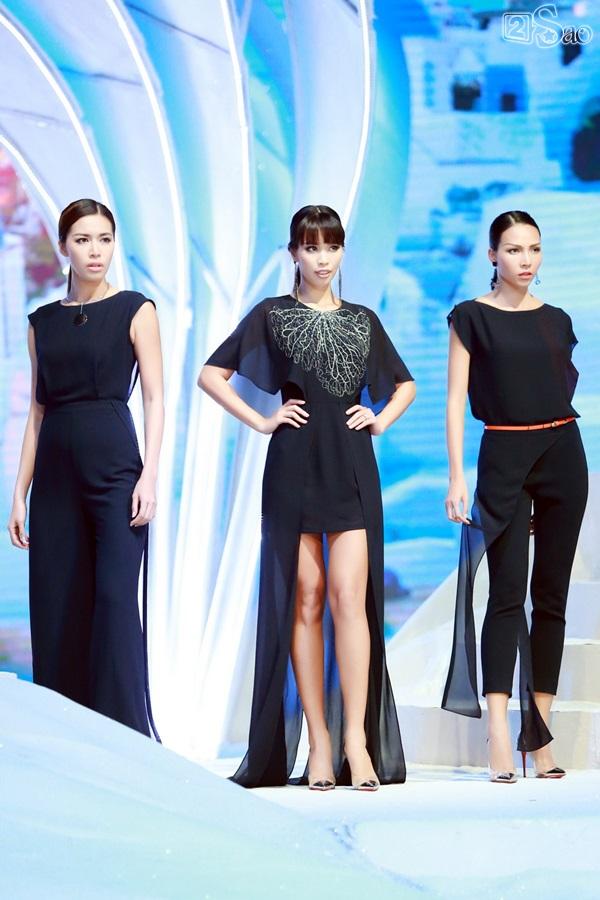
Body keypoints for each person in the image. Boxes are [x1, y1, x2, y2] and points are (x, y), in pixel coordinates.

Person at [199, 205, 416, 789]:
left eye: (332, 247)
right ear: (293, 252)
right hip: (293, 465)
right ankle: (318, 741)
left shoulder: (363, 320)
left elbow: (405, 385)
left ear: (342, 251)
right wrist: (262, 420)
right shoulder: (272, 315)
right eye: (311, 247)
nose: (323, 258)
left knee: (351, 599)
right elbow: (211, 375)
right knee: (307, 600)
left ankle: (356, 742)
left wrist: (379, 419)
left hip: (350, 467)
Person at [7, 198, 164, 738]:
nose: (95, 251)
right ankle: (69, 744)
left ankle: (127, 741)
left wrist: (149, 475)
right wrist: (19, 492)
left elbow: (155, 397)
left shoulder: (136, 309)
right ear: (63, 247)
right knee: (58, 605)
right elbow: (37, 411)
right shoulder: (42, 322)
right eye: (82, 240)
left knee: (116, 601)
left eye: (104, 239)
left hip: (117, 471)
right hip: (55, 478)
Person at [443, 210, 588, 781]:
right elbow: (455, 400)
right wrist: (457, 476)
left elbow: (558, 388)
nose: (525, 260)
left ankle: (539, 735)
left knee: (551, 595)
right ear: (492, 256)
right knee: (505, 592)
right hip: (502, 454)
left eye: (534, 249)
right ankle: (499, 732)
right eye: (513, 250)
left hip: (562, 453)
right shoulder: (471, 317)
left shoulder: (557, 319)